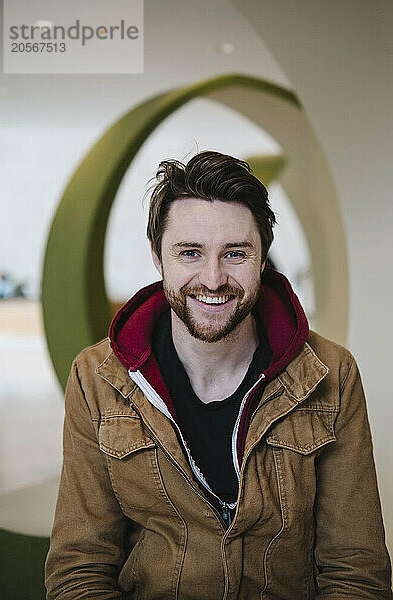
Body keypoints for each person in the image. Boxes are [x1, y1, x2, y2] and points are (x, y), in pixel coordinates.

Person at [45, 151, 392, 599]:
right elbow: (79, 570)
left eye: (235, 254)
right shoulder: (96, 378)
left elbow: (355, 573)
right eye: (190, 252)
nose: (213, 278)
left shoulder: (331, 374)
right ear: (158, 257)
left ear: (263, 259)